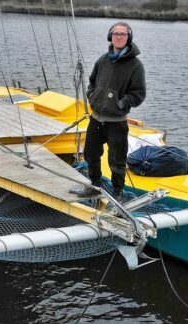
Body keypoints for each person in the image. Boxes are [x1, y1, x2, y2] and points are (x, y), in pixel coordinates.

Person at [78, 22, 146, 202]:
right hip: (96, 119)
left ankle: (118, 192)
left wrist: (121, 103)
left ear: (128, 37)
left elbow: (139, 94)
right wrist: (92, 96)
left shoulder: (135, 65)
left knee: (116, 160)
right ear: (110, 36)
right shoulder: (103, 60)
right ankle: (94, 186)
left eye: (123, 34)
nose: (119, 37)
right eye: (116, 34)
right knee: (91, 154)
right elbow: (91, 82)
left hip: (117, 122)